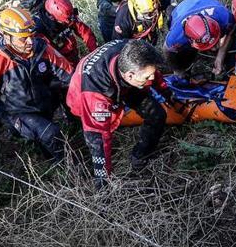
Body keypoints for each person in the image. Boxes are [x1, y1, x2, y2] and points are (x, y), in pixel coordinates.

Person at [0, 7, 74, 162]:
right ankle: (72, 167)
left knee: (48, 130)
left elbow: (69, 75)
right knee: (51, 133)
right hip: (17, 112)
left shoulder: (41, 48)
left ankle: (48, 155)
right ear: (7, 37)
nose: (30, 42)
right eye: (23, 38)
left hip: (43, 102)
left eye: (31, 36)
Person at [66, 39, 172, 188]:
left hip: (124, 84)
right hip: (86, 93)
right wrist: (103, 182)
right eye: (148, 78)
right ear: (129, 75)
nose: (152, 79)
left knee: (157, 114)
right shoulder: (94, 92)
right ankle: (101, 184)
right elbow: (99, 140)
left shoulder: (133, 51)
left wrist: (164, 90)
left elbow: (152, 71)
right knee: (98, 139)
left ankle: (140, 156)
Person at [163, 0, 235, 76]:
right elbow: (167, 50)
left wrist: (220, 55)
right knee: (182, 56)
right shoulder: (176, 37)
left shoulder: (223, 15)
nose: (214, 49)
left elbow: (231, 30)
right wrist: (177, 70)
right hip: (181, 9)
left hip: (203, 1)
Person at [35, 0, 98, 64]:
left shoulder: (67, 12)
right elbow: (52, 59)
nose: (69, 21)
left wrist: (95, 52)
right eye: (65, 21)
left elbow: (85, 32)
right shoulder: (41, 32)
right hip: (60, 63)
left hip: (73, 54)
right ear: (51, 17)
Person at [112, 0, 176, 45]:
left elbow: (173, 6)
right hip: (134, 39)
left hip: (151, 31)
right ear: (136, 7)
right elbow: (119, 44)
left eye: (152, 11)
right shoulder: (123, 18)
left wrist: (172, 22)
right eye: (146, 13)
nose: (150, 16)